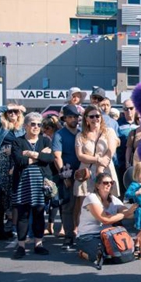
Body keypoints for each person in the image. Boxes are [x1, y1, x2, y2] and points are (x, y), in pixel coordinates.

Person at [11, 112, 54, 259]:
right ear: (26, 126)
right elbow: (18, 161)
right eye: (33, 124)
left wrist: (31, 154)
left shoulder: (45, 140)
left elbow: (49, 158)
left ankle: (38, 244)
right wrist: (39, 156)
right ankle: (21, 246)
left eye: (39, 124)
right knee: (22, 215)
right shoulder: (18, 141)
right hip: (23, 182)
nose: (36, 127)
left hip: (41, 183)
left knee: (39, 214)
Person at [75, 174, 137, 262]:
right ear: (97, 185)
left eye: (111, 182)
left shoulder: (114, 199)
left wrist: (139, 206)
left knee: (124, 253)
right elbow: (104, 219)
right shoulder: (91, 198)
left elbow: (129, 214)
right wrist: (126, 213)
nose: (109, 185)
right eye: (105, 183)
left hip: (108, 235)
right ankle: (82, 252)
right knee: (100, 258)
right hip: (88, 235)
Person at [0, 103, 25, 239]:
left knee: (15, 192)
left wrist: (20, 108)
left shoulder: (22, 129)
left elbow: (23, 145)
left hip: (15, 161)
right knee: (1, 191)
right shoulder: (3, 126)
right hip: (2, 162)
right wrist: (9, 106)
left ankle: (13, 224)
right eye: (10, 112)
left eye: (15, 112)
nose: (12, 114)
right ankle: (1, 224)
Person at [75, 105, 120, 204]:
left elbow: (111, 150)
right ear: (86, 118)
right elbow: (80, 156)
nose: (95, 119)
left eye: (97, 116)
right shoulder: (80, 135)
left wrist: (101, 168)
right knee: (86, 206)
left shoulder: (109, 132)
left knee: (108, 204)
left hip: (106, 170)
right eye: (91, 116)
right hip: (87, 173)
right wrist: (98, 160)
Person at [53, 105, 81, 250]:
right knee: (68, 206)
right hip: (68, 173)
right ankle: (69, 236)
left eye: (75, 116)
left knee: (82, 206)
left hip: (82, 174)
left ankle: (81, 234)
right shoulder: (59, 134)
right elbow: (57, 157)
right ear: (65, 119)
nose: (73, 119)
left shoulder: (82, 133)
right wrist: (64, 176)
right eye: (70, 117)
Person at [117, 99, 139, 187]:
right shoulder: (118, 124)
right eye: (126, 109)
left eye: (131, 108)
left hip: (138, 162)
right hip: (122, 162)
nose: (129, 111)